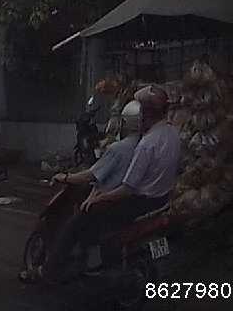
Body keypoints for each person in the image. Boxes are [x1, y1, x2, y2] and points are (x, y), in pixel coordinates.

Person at [41, 85, 180, 283]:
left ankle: (50, 271)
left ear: (145, 114)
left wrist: (99, 198)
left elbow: (127, 188)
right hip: (162, 200)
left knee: (77, 221)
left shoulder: (145, 145)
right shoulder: (173, 134)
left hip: (138, 202)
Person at [19, 100, 142, 283]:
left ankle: (47, 271)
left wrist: (65, 177)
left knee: (70, 229)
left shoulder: (119, 148)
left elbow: (90, 175)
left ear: (124, 122)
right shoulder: (143, 144)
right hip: (128, 202)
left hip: (107, 201)